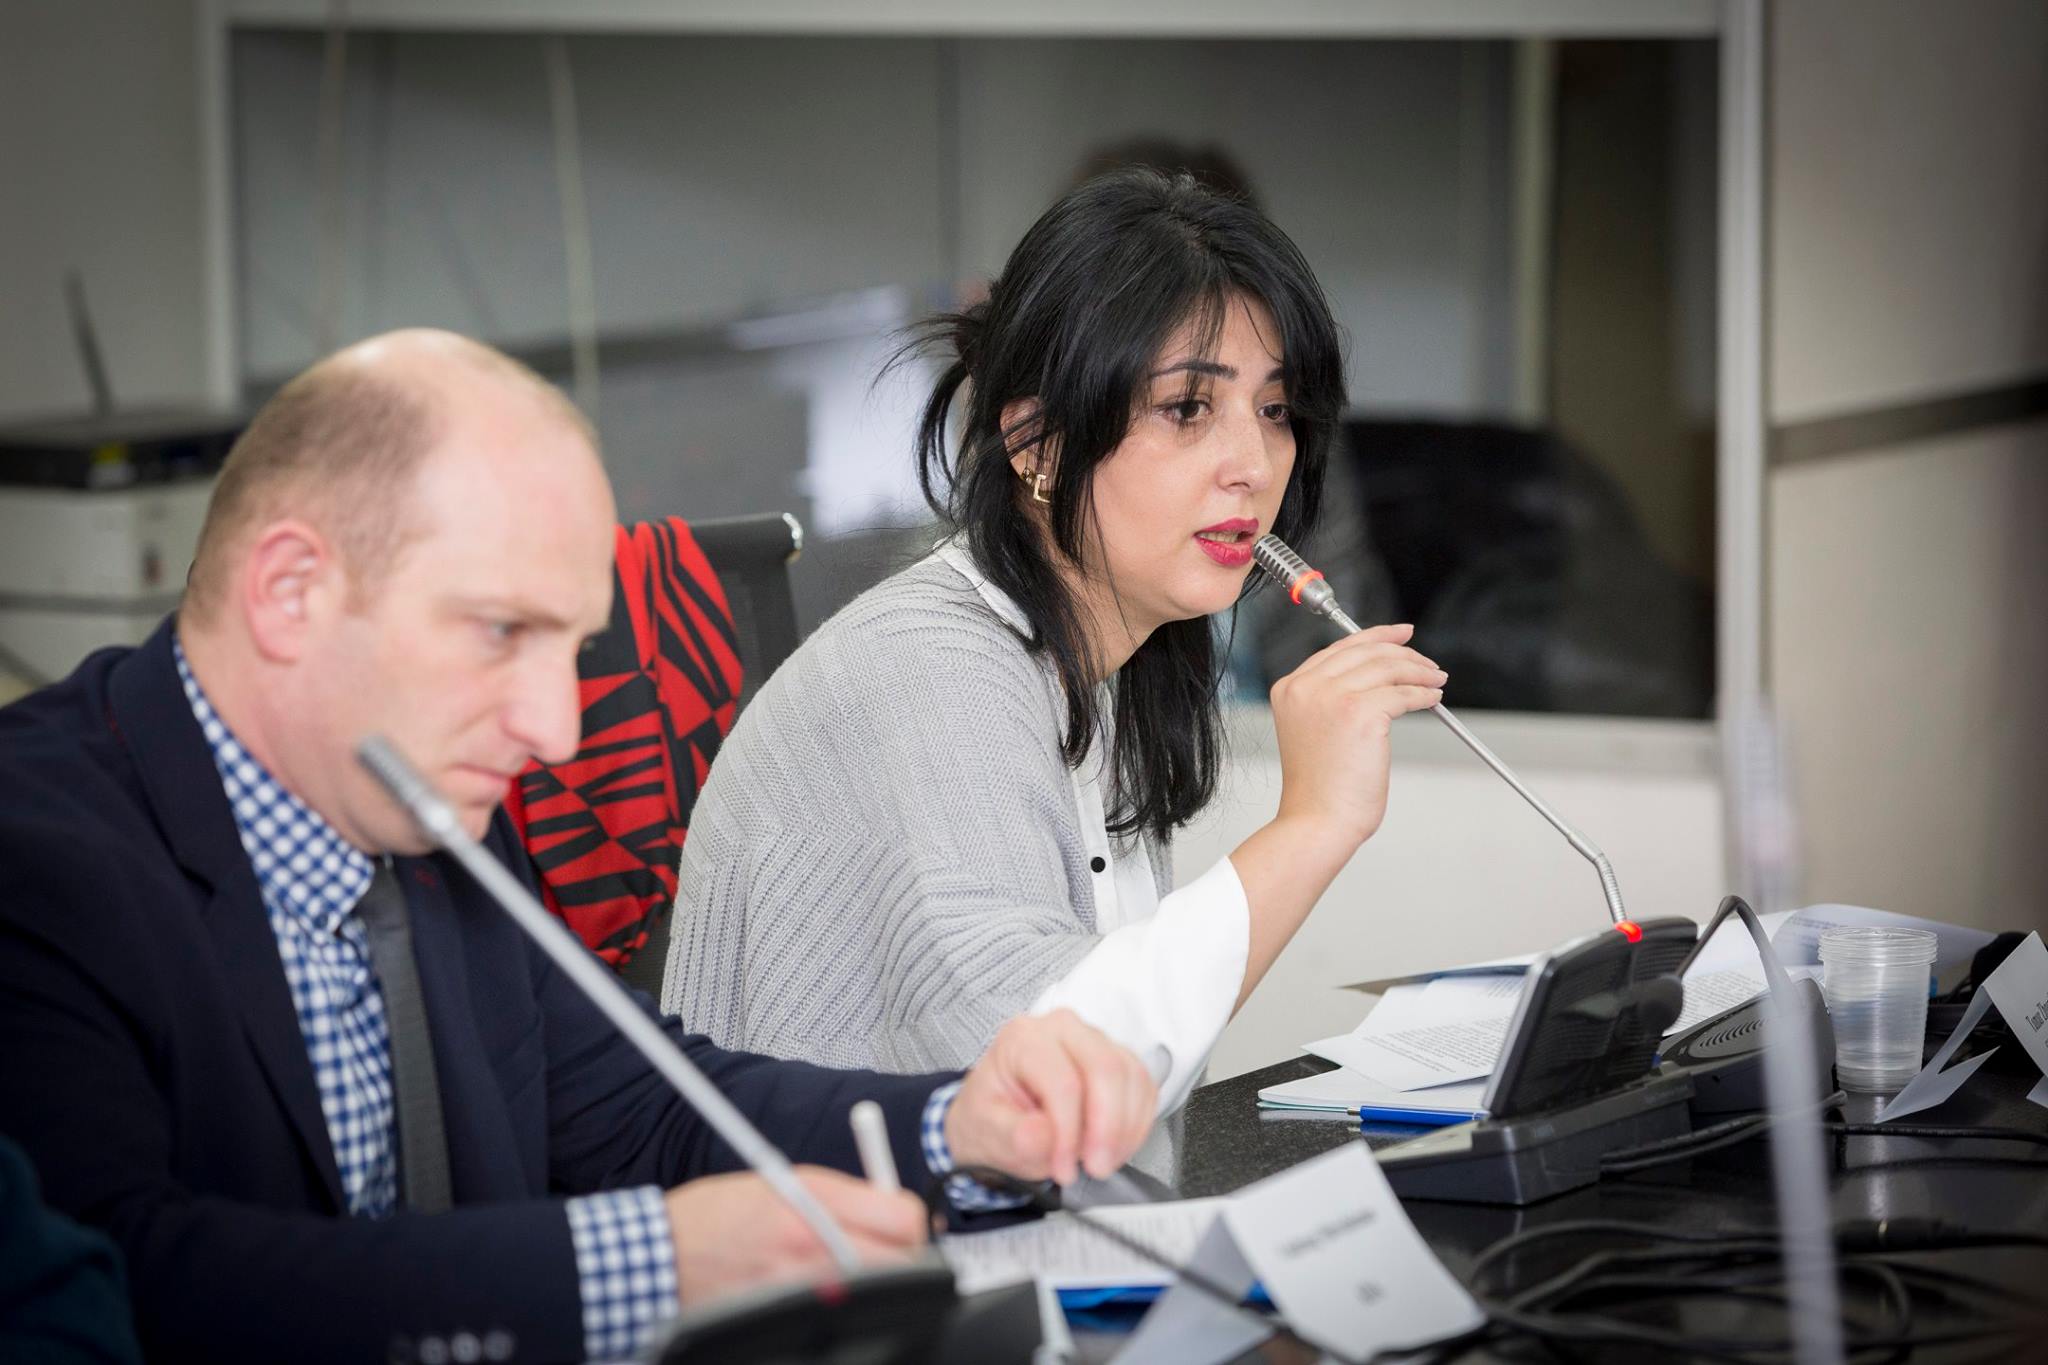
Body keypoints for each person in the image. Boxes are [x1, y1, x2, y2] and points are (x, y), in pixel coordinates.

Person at [0, 330, 1159, 1365]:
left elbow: (647, 1109)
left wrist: (955, 1128)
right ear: (291, 591)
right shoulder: (35, 855)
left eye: (568, 649)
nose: (554, 730)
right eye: (502, 632)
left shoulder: (424, 812)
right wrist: (650, 1263)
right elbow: (128, 1280)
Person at [662, 170, 1447, 1116]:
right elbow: (1040, 1078)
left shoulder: (1107, 659)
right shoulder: (933, 673)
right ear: (1037, 443)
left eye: (1275, 411)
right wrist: (1312, 824)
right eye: (1187, 408)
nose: (1252, 464)